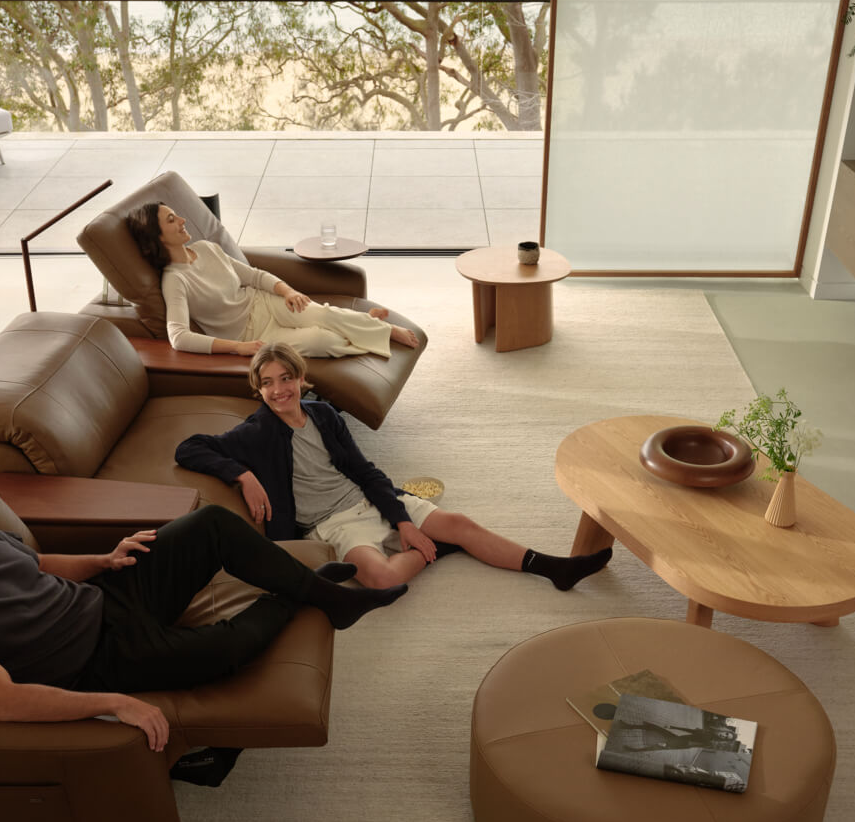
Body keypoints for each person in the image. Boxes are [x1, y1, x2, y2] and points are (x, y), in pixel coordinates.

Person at [0, 460, 405, 782]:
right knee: (222, 653)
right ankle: (312, 596)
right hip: (96, 661)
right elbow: (2, 700)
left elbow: (32, 564)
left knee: (210, 525)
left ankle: (325, 599)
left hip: (106, 597)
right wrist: (114, 702)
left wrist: (105, 559)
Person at [174, 341, 614, 592]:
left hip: (366, 498)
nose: (279, 390)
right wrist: (243, 474)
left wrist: (402, 518)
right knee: (382, 581)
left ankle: (552, 567)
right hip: (330, 524)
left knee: (459, 521)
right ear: (258, 390)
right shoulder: (255, 432)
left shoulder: (324, 415)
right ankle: (435, 550)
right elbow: (189, 447)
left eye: (285, 378)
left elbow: (365, 471)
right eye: (267, 383)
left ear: (300, 378)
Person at [124, 200, 420, 358]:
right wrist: (239, 348)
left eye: (177, 215)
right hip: (249, 335)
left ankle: (382, 328)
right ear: (157, 236)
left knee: (325, 315)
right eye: (171, 220)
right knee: (321, 341)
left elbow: (254, 276)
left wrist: (288, 291)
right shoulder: (174, 281)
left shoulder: (205, 248)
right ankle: (368, 325)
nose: (182, 221)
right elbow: (178, 338)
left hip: (266, 303)